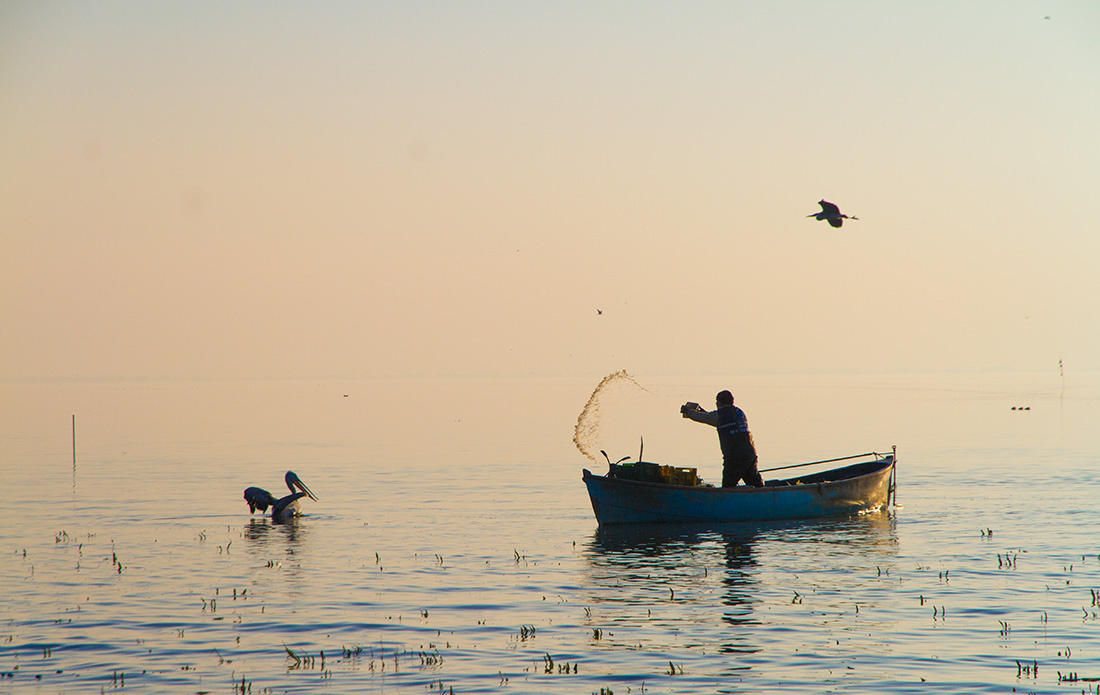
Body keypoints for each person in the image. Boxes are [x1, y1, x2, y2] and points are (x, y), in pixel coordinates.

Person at [681, 390, 764, 488]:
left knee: (728, 486)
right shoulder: (739, 412)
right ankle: (766, 496)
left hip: (734, 457)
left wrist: (688, 412)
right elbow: (714, 419)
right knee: (755, 484)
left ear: (719, 403)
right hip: (750, 454)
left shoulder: (720, 415)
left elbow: (704, 418)